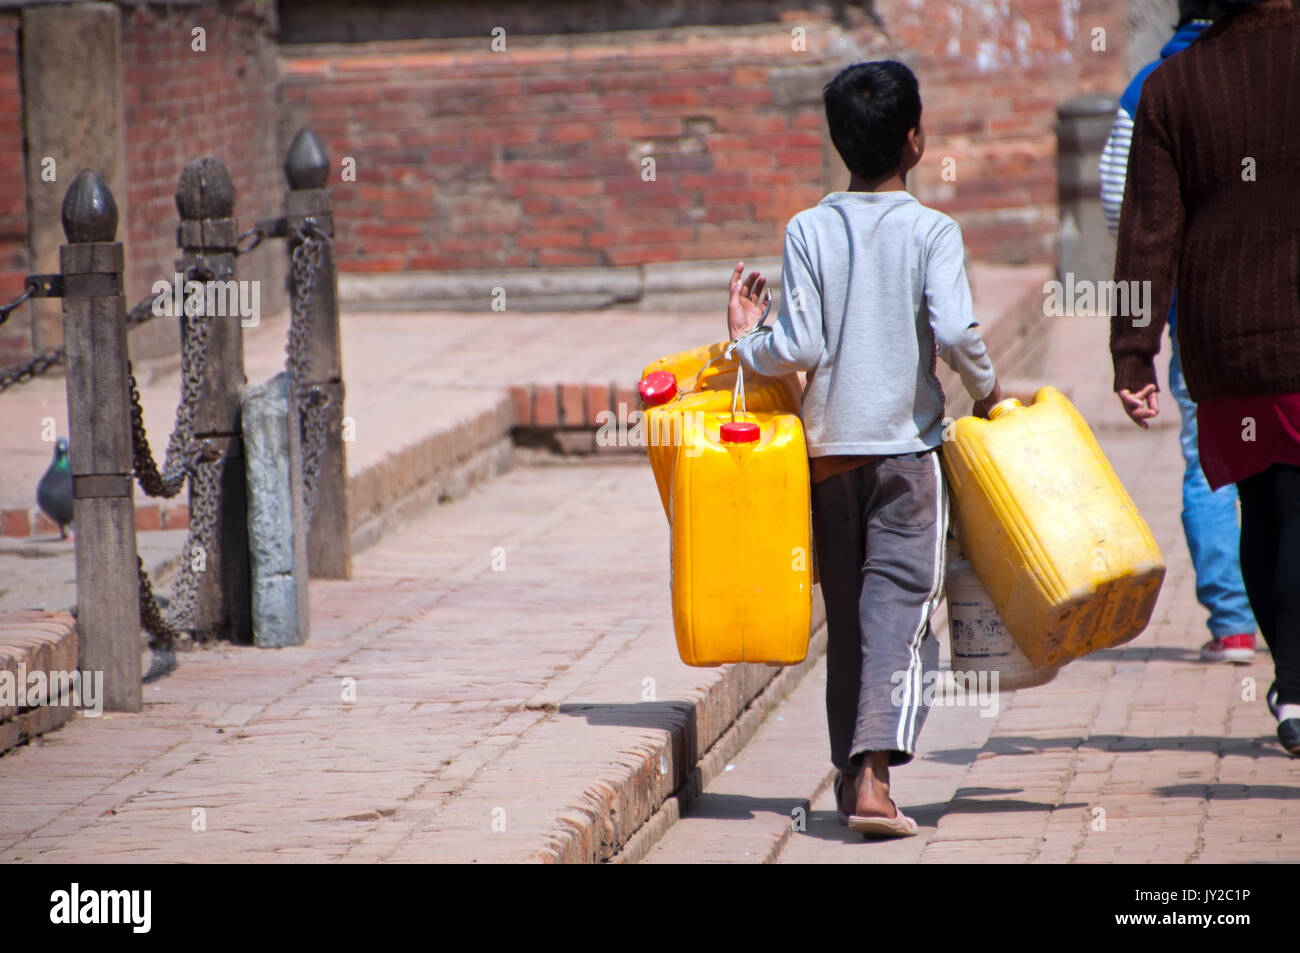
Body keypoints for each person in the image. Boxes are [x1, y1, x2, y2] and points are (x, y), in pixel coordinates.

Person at [726, 60, 1003, 836]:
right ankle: (877, 779)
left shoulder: (808, 228)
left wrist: (747, 342)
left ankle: (851, 778)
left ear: (838, 141)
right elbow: (953, 332)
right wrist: (988, 389)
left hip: (827, 458)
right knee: (900, 612)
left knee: (848, 619)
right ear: (915, 141)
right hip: (907, 457)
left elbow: (800, 341)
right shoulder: (932, 230)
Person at [1111, 0, 1300, 756]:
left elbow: (1148, 231)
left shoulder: (1172, 86)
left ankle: (1290, 682)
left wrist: (1134, 350)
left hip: (1225, 334)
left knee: (1267, 501)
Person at [1098, 0, 1259, 664]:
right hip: (1279, 307)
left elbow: (1123, 209)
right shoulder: (1269, 71)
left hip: (1196, 314)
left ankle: (1235, 623)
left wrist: (1155, 295)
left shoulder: (1148, 89)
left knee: (1209, 461)